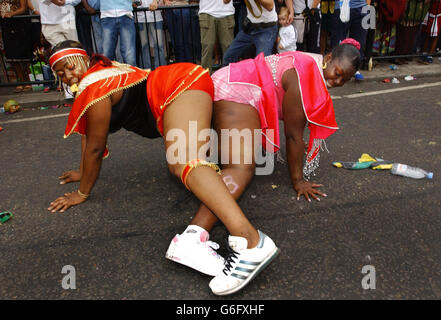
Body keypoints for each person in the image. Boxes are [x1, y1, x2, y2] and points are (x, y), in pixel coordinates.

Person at [46, 40, 279, 296]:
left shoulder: (95, 84)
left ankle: (251, 242)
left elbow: (95, 147)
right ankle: (208, 235)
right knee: (191, 162)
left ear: (84, 60)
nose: (68, 76)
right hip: (180, 85)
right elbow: (87, 135)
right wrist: (82, 173)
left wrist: (82, 192)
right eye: (60, 74)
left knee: (184, 161)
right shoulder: (97, 80)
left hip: (178, 86)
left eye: (70, 67)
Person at [168, 38, 361, 294]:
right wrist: (297, 180)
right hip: (236, 88)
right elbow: (293, 136)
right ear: (327, 57)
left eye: (343, 80)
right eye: (337, 73)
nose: (336, 82)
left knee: (239, 162)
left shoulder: (311, 64)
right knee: (241, 169)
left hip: (237, 84)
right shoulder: (305, 75)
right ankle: (192, 238)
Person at [222, 0, 279, 65]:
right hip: (250, 27)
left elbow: (270, 6)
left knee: (261, 64)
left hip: (266, 29)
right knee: (228, 57)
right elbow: (225, 1)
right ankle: (231, 74)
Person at [330, 0, 371, 80]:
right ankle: (336, 68)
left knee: (359, 41)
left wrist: (367, 6)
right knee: (338, 40)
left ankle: (354, 70)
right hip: (341, 7)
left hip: (361, 8)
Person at [0, 0, 33, 93]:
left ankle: (28, 80)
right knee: (12, 56)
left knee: (23, 54)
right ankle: (21, 81)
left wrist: (12, 13)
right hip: (6, 24)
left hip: (19, 23)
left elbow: (23, 8)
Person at [198, 0, 235, 72]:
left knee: (228, 48)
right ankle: (206, 79)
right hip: (207, 12)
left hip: (226, 13)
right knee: (207, 49)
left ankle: (229, 78)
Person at [100, 0, 137, 66]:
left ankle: (132, 75)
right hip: (108, 14)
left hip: (125, 13)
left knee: (129, 57)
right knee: (107, 55)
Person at [133, 0, 167, 69]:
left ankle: (160, 70)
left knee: (159, 45)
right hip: (140, 17)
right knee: (144, 46)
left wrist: (156, 1)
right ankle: (146, 71)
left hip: (156, 16)